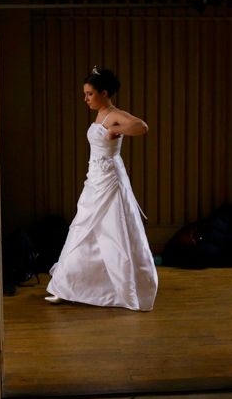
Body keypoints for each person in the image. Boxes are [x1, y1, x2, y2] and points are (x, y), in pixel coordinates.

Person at [45, 67, 158, 311]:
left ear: (104, 93)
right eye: (85, 94)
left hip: (109, 180)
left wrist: (117, 129)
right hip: (95, 178)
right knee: (83, 227)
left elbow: (142, 126)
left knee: (113, 230)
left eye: (89, 94)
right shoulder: (100, 115)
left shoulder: (115, 115)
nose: (85, 99)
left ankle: (122, 287)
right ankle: (66, 285)